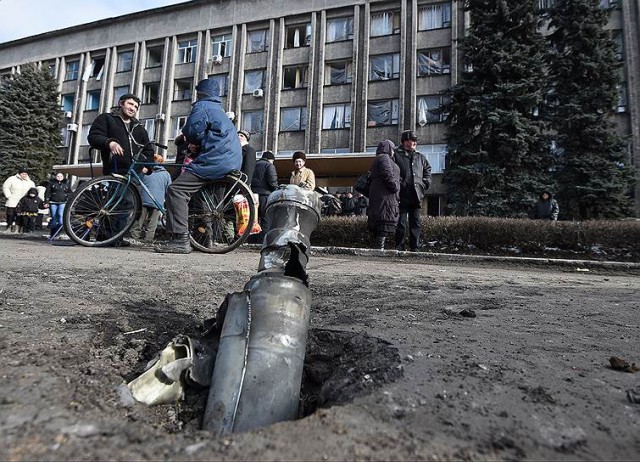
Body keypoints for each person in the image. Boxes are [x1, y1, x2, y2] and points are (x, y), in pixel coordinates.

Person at [155, 77, 242, 254]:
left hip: (215, 159)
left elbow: (192, 130)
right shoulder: (219, 110)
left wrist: (190, 139)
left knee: (176, 190)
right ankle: (202, 238)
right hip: (231, 160)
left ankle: (180, 239)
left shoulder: (202, 106)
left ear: (200, 93)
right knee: (200, 195)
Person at [88, 93, 154, 176]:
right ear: (120, 103)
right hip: (114, 172)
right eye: (130, 104)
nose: (132, 108)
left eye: (136, 107)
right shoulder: (106, 118)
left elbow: (148, 149)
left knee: (135, 189)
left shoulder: (139, 127)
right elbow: (94, 136)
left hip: (136, 174)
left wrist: (148, 167)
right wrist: (110, 143)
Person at [394, 130, 431, 252]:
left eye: (415, 141)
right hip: (402, 195)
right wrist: (400, 183)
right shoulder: (396, 155)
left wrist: (425, 183)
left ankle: (415, 247)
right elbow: (393, 171)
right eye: (412, 140)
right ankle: (399, 247)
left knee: (416, 223)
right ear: (405, 142)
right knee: (401, 223)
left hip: (416, 195)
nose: (414, 143)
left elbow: (427, 170)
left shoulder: (420, 157)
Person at [367, 140, 400, 250]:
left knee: (381, 224)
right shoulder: (384, 158)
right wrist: (395, 186)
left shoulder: (380, 158)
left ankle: (379, 248)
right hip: (384, 196)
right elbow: (386, 173)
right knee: (383, 224)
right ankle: (379, 249)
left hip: (382, 196)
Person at [127, 165, 172, 244]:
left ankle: (134, 237)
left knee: (139, 219)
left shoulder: (146, 171)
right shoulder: (166, 174)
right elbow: (168, 189)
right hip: (157, 201)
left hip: (143, 199)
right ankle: (148, 239)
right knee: (153, 222)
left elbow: (136, 181)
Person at [251, 150, 279, 233]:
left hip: (253, 196)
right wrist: (277, 190)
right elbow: (273, 182)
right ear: (270, 159)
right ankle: (262, 241)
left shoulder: (253, 165)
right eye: (273, 161)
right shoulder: (269, 165)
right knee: (265, 219)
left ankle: (252, 240)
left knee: (254, 219)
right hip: (265, 196)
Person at [3, 167, 36, 233]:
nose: (24, 175)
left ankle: (17, 228)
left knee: (20, 216)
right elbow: (5, 187)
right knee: (10, 215)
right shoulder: (12, 179)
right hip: (13, 200)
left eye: (26, 174)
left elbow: (33, 190)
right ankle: (9, 227)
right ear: (19, 173)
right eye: (23, 174)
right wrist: (8, 196)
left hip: (24, 202)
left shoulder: (30, 182)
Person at [44, 172, 72, 238]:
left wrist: (66, 196)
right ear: (55, 177)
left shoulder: (66, 184)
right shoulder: (51, 184)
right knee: (54, 217)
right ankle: (53, 233)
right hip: (53, 202)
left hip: (62, 202)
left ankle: (59, 232)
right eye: (58, 176)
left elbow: (70, 192)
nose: (59, 178)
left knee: (60, 216)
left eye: (61, 176)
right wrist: (46, 202)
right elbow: (47, 193)